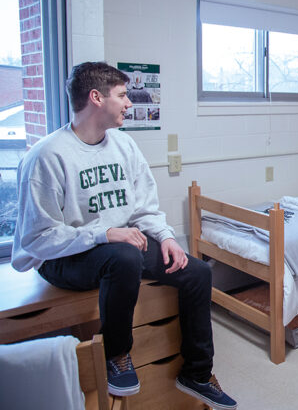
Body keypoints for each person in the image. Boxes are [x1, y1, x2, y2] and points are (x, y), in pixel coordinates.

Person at [12, 62, 237, 409]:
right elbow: (38, 238)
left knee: (197, 272)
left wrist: (167, 238)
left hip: (119, 247)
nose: (129, 103)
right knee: (125, 256)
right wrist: (104, 234)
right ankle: (116, 354)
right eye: (122, 95)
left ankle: (196, 372)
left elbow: (144, 207)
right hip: (61, 258)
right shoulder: (46, 156)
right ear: (96, 98)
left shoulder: (125, 146)